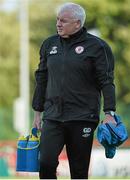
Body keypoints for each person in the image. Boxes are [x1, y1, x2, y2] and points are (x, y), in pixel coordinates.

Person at [32, 2, 116, 179]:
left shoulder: (98, 47)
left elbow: (106, 81)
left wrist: (109, 113)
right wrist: (37, 112)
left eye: (64, 20)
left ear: (77, 23)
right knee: (45, 162)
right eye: (57, 20)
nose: (58, 24)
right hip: (53, 116)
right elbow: (41, 78)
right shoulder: (49, 44)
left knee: (79, 170)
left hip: (83, 117)